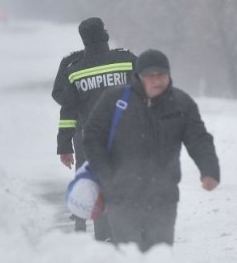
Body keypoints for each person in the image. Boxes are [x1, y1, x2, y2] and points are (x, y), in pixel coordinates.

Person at [83, 49, 220, 253]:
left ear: (169, 75)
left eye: (162, 75)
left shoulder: (181, 103)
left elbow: (199, 139)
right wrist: (107, 175)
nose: (157, 80)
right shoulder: (115, 100)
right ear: (139, 76)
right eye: (151, 75)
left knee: (159, 253)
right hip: (122, 196)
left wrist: (209, 170)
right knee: (129, 253)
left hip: (163, 197)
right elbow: (92, 138)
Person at [52, 17, 137, 239]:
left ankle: (103, 236)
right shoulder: (127, 60)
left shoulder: (74, 69)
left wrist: (64, 145)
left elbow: (67, 111)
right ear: (104, 34)